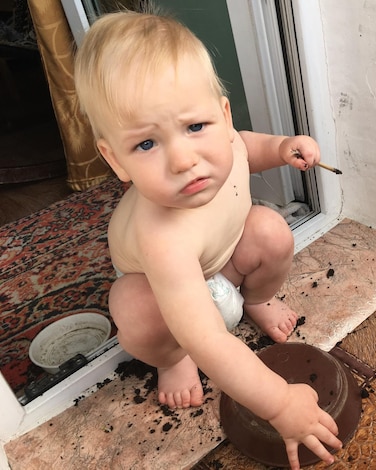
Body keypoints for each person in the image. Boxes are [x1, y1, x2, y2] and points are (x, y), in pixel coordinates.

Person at [74, 10, 341, 469]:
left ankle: (254, 298)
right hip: (164, 291)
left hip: (220, 263)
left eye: (196, 127)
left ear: (222, 115)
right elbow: (208, 340)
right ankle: (169, 358)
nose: (184, 159)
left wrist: (280, 148)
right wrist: (278, 403)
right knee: (137, 311)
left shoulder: (228, 143)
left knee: (270, 230)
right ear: (114, 160)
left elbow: (247, 147)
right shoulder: (161, 237)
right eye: (146, 145)